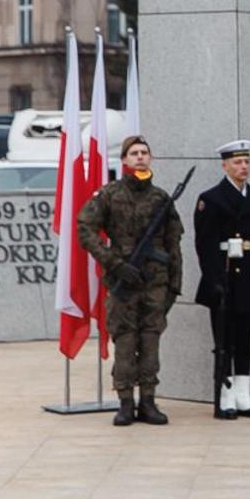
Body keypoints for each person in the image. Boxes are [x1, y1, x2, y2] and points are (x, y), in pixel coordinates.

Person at [77, 135, 183, 427]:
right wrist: (114, 263)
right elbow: (84, 228)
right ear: (124, 160)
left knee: (151, 340)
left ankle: (148, 401)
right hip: (123, 283)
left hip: (155, 283)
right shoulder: (110, 194)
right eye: (134, 153)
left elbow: (174, 245)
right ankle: (125, 402)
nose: (140, 157)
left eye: (144, 153)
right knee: (125, 342)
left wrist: (174, 284)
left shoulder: (161, 198)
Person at [193, 139, 250, 420]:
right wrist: (215, 280)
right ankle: (225, 395)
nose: (243, 167)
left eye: (247, 162)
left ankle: (243, 393)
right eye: (237, 162)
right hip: (225, 281)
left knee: (245, 339)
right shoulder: (211, 199)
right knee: (224, 340)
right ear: (224, 165)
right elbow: (204, 245)